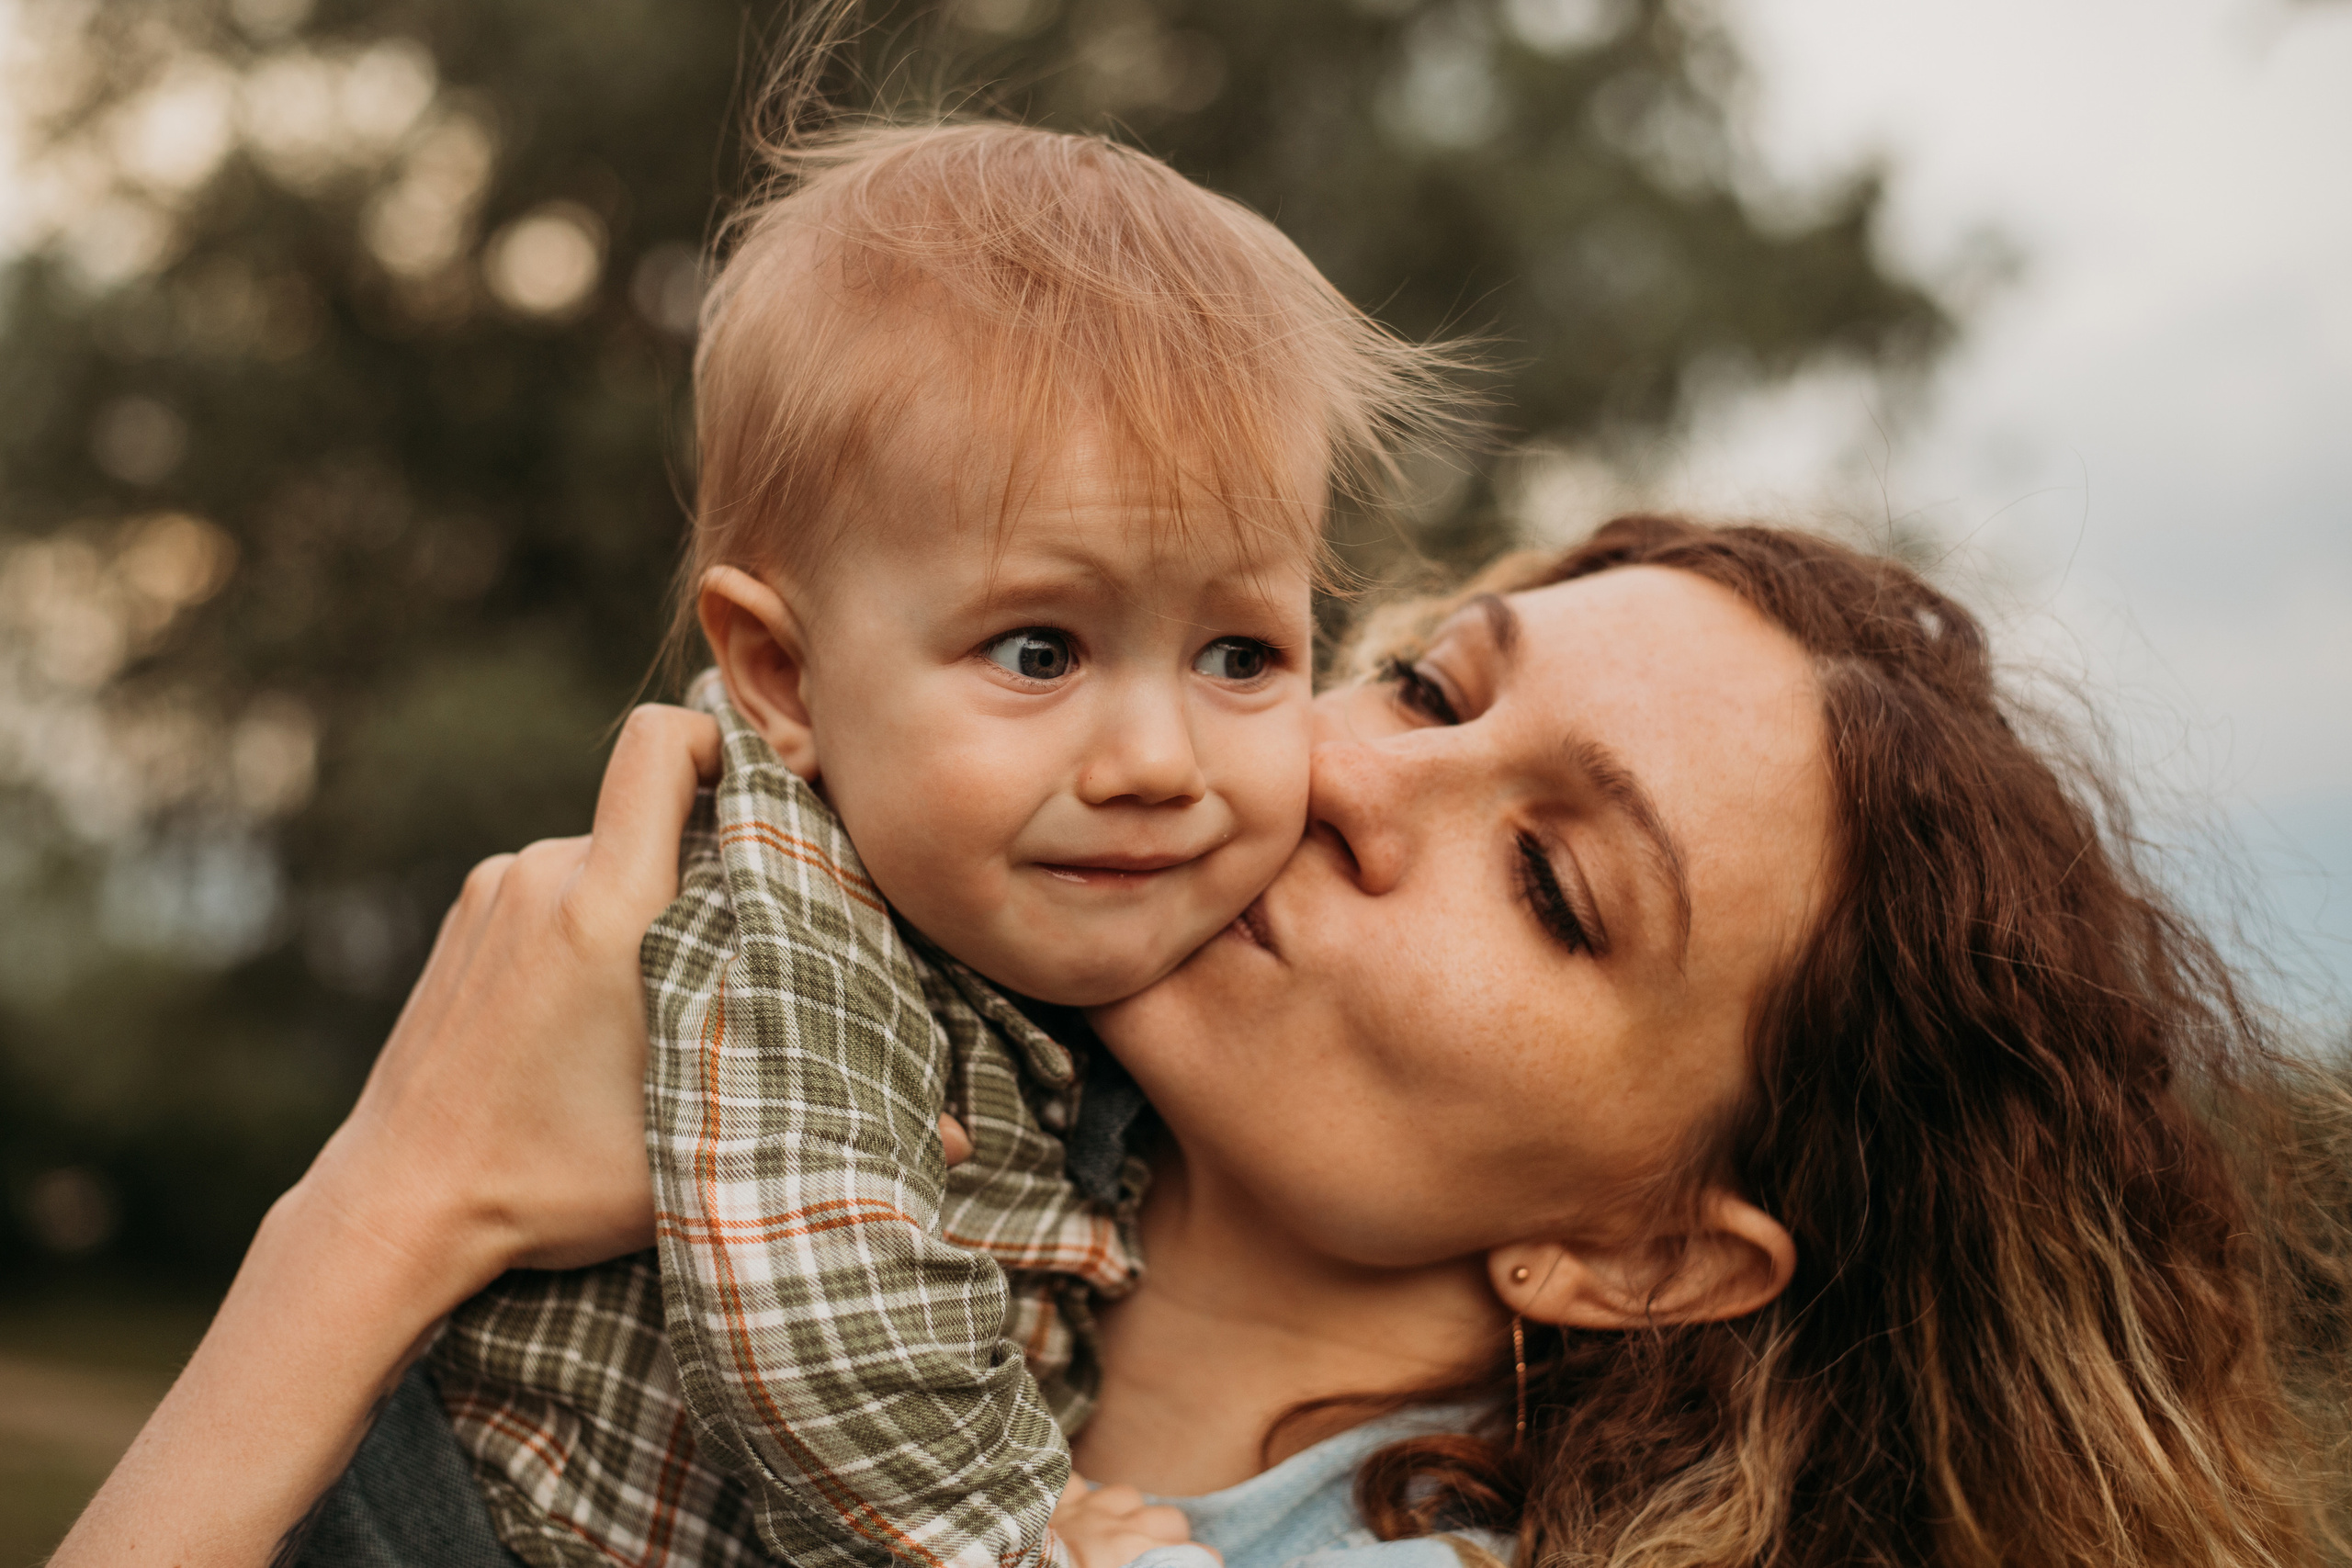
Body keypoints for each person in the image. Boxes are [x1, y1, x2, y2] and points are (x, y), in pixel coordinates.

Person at [56, 515, 2352, 1568]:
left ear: (1646, 1251)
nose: (1349, 778)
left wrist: (400, 1194)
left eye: (1552, 882)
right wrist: (393, 1195)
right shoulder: (859, 1136)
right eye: (1433, 685)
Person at [427, 62, 1471, 1568]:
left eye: (1241, 655)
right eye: (1038, 651)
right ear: (784, 673)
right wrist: (1015, 1539)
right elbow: (814, 1312)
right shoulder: (782, 921)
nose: (1156, 761)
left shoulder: (1044, 912)